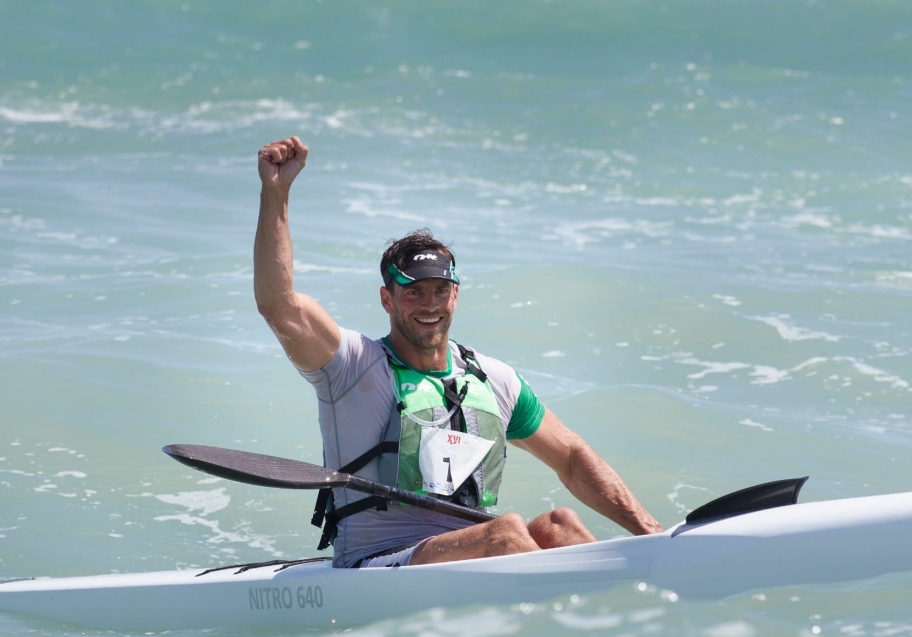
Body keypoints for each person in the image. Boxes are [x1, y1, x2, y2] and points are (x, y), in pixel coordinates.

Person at [254, 136, 662, 569]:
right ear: (387, 300)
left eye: (440, 291)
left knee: (559, 523)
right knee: (505, 531)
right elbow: (280, 306)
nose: (430, 304)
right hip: (375, 563)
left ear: (455, 296)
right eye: (414, 293)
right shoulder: (354, 367)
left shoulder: (494, 381)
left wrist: (652, 533)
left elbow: (574, 459)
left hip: (473, 556)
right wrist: (276, 193)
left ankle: (632, 601)